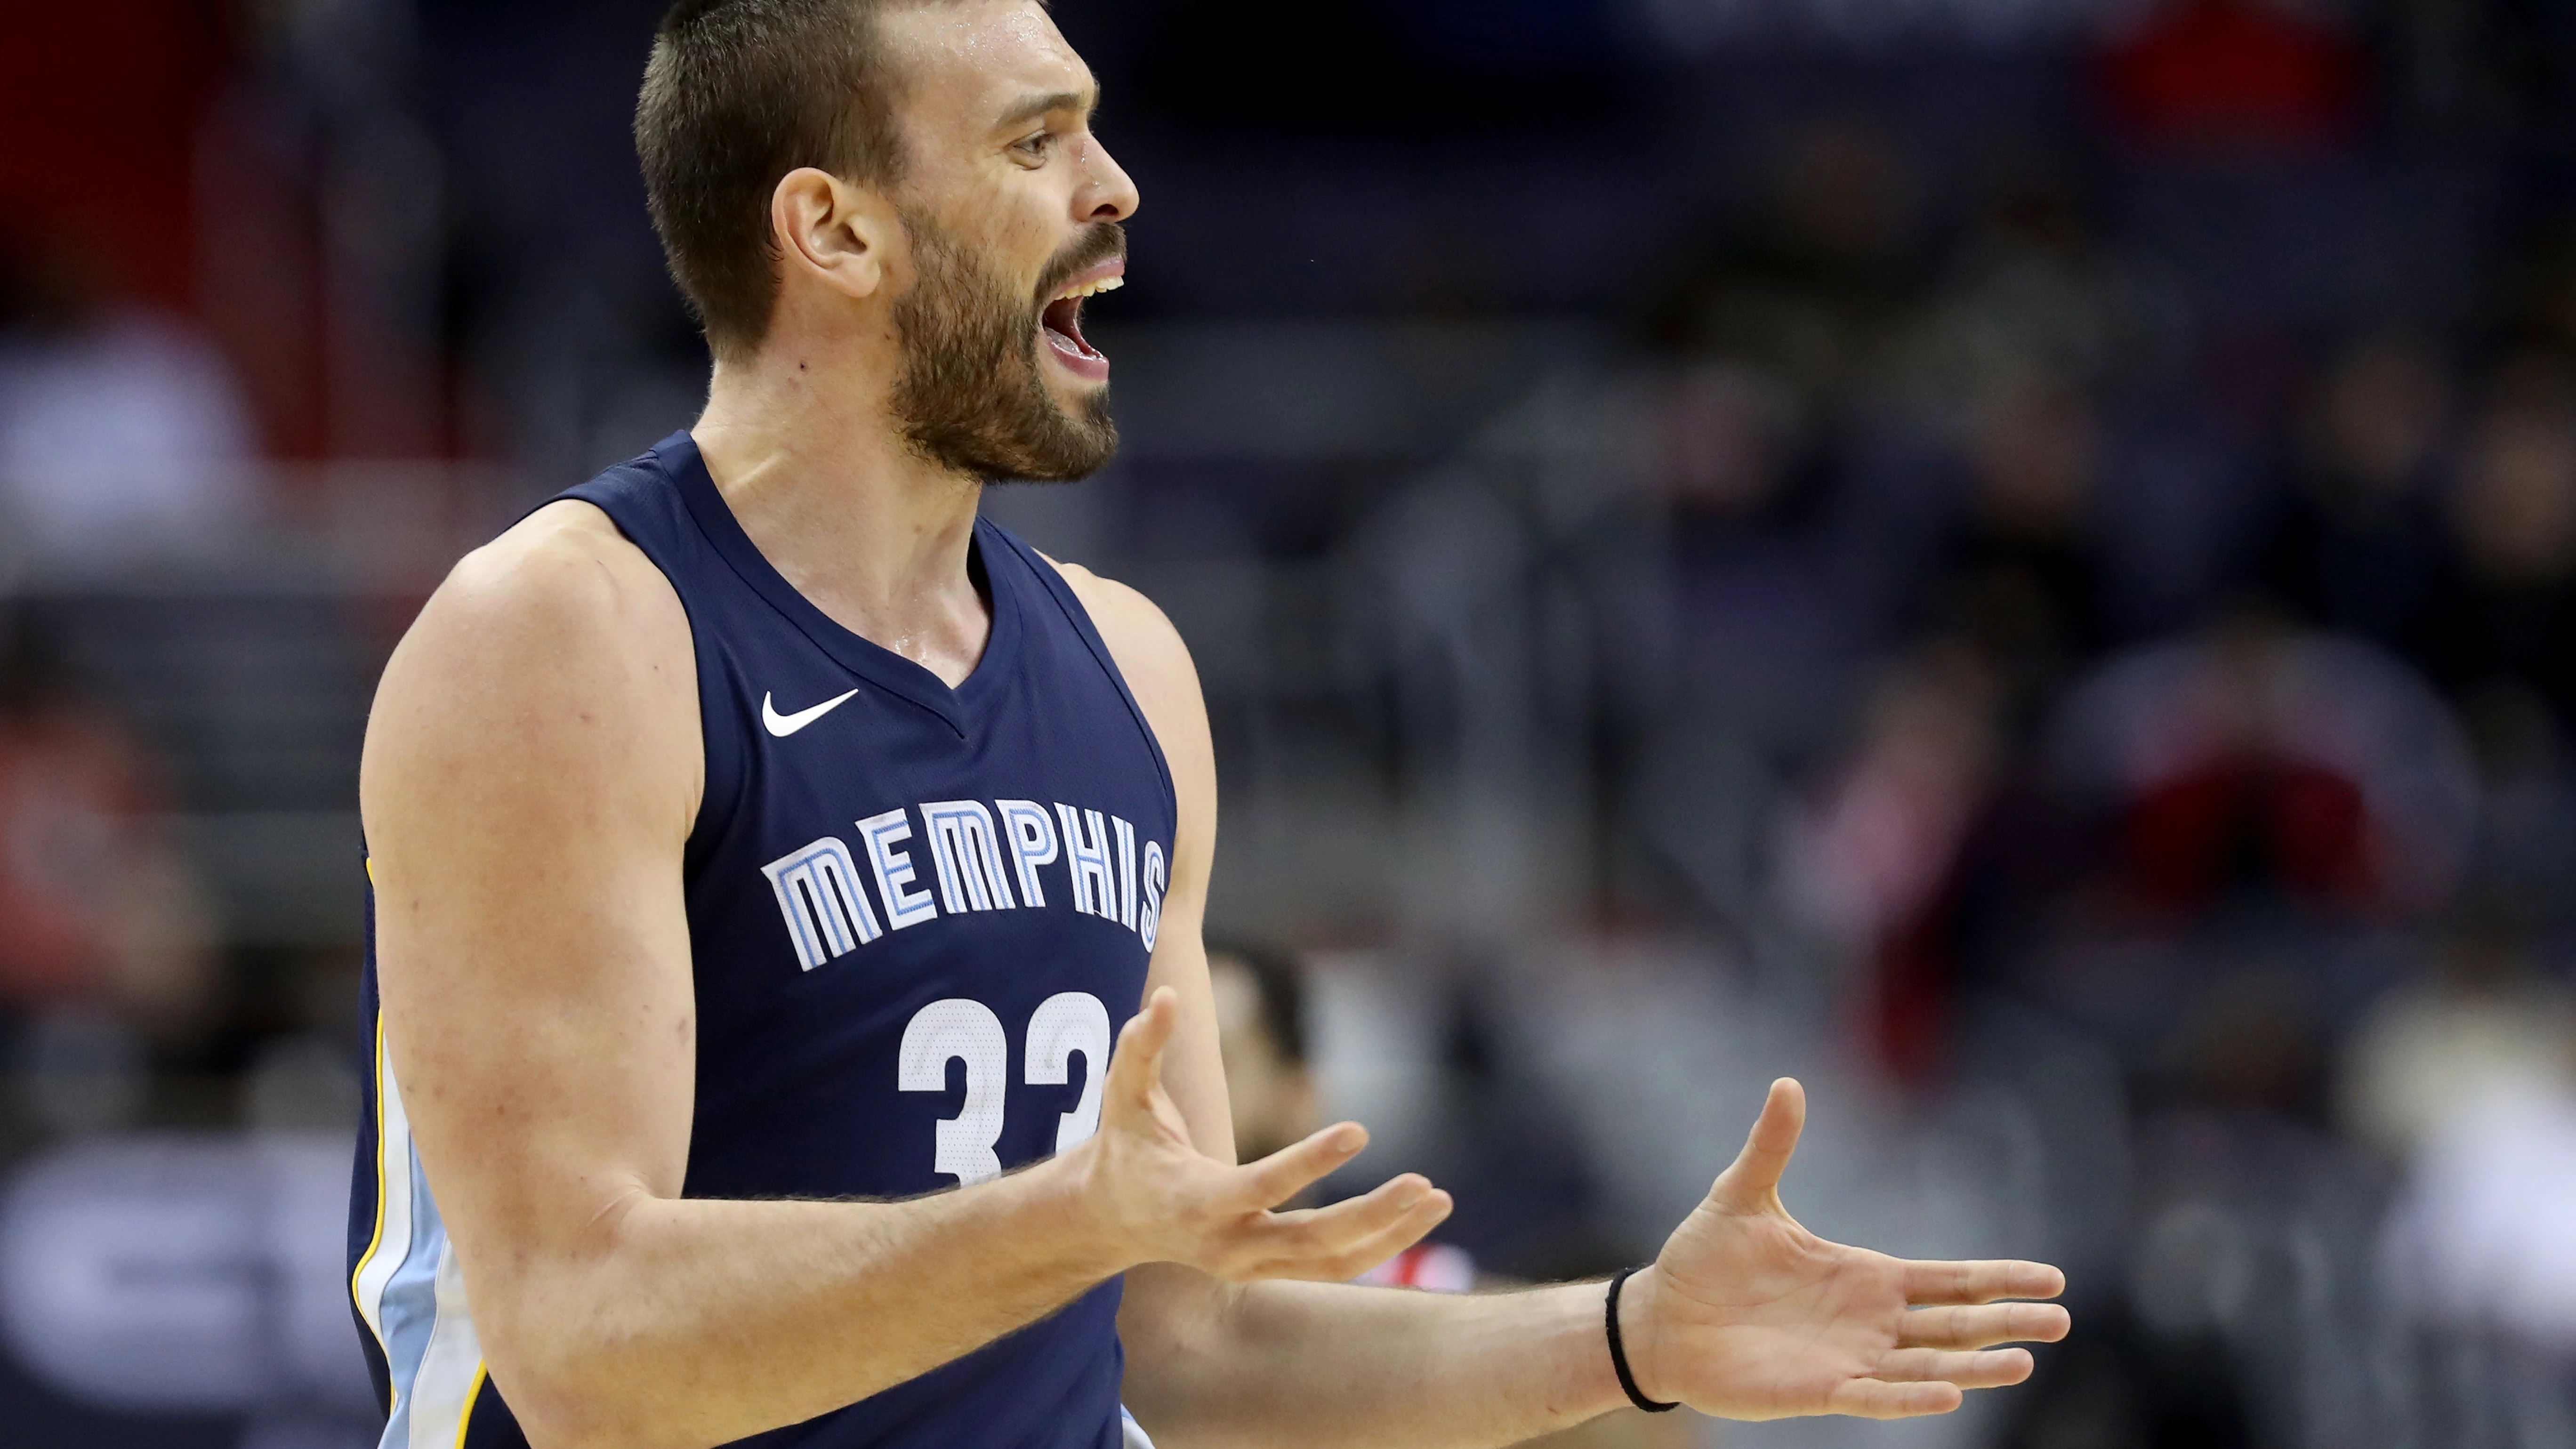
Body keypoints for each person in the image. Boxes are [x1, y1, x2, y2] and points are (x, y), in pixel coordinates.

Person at [346, 4, 2070, 1448]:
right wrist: (1056, 1229)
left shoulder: (1131, 668)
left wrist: (1628, 1341)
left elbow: (1189, 1350)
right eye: (1037, 145)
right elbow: (579, 1342)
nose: (1115, 187)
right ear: (837, 231)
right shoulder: (567, 638)